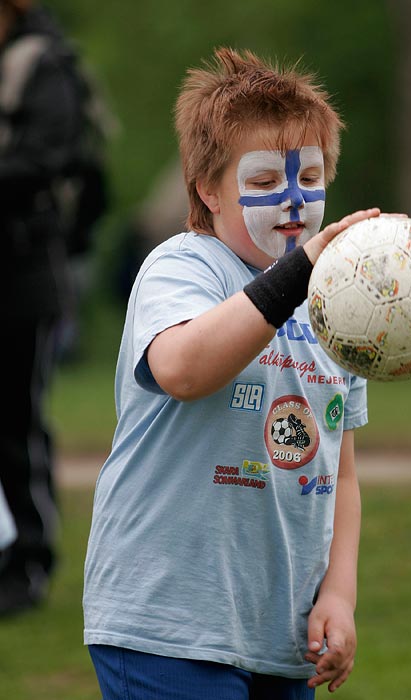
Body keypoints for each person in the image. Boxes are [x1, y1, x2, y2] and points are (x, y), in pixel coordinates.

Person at [83, 47, 381, 698]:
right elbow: (183, 369)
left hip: (281, 632)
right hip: (164, 621)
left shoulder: (340, 302)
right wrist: (297, 274)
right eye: (266, 179)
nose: (294, 199)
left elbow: (342, 471)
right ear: (208, 190)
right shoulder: (184, 267)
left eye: (309, 177)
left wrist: (339, 593)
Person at [0, 0, 90, 615]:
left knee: (14, 421)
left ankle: (28, 562)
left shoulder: (44, 63)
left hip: (22, 278)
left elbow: (48, 160)